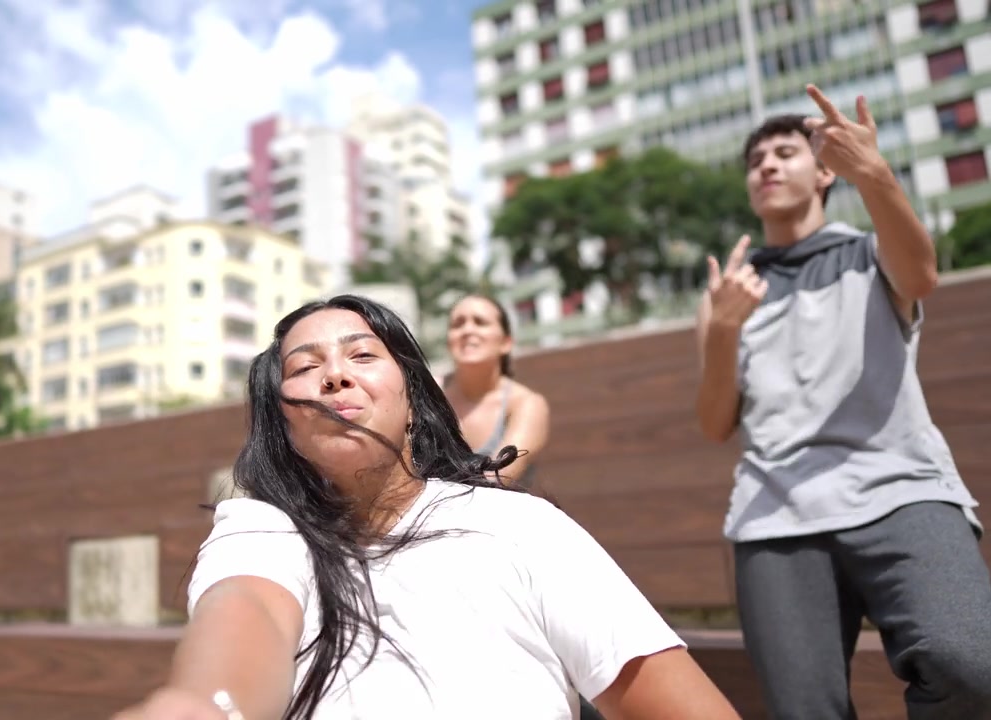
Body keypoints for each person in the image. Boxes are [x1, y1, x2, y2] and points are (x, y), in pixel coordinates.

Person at [117, 295, 740, 720]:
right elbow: (247, 608)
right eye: (305, 367)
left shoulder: (521, 527)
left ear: (415, 398)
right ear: (281, 423)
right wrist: (204, 706)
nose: (335, 376)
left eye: (363, 355)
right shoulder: (262, 529)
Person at [694, 83, 991, 719]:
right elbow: (716, 423)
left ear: (826, 171)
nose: (766, 166)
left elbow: (922, 275)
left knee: (971, 666)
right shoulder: (729, 292)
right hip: (776, 511)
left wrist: (875, 172)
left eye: (784, 153)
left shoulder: (869, 250)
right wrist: (722, 329)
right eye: (755, 161)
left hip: (901, 488)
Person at [443, 294, 549, 487]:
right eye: (458, 324)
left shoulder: (527, 404)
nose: (467, 330)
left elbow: (499, 477)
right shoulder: (428, 394)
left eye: (480, 322)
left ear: (506, 343)